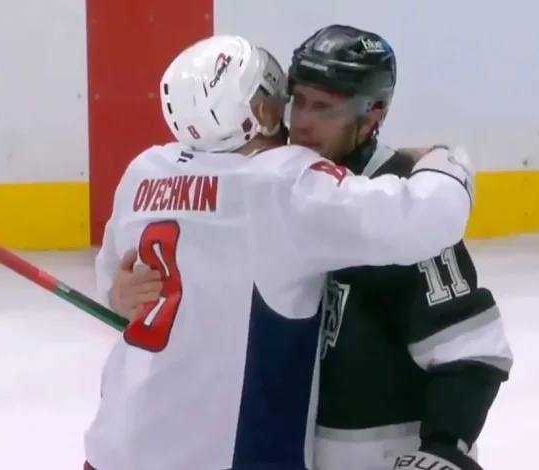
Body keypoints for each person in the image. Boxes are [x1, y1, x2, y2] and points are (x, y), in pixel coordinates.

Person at [86, 34, 475, 470]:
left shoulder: (145, 172)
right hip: (221, 456)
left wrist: (119, 294)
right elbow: (427, 218)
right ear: (259, 111)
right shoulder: (284, 183)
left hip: (116, 447)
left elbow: (116, 285)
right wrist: (445, 160)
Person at [285, 25, 512, 470]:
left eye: (324, 108)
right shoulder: (277, 183)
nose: (302, 123)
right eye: (299, 102)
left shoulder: (401, 208)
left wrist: (444, 448)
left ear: (373, 115)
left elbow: (468, 350)